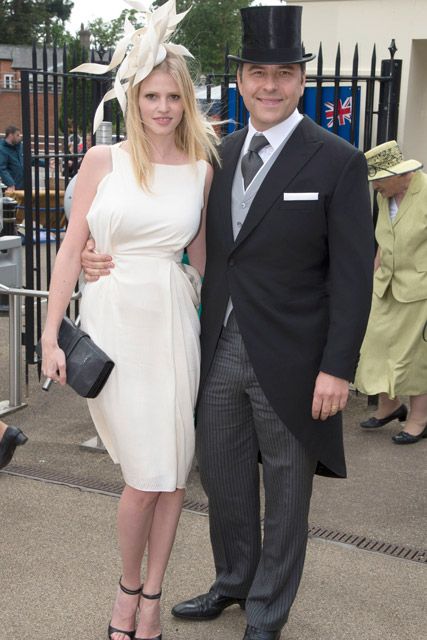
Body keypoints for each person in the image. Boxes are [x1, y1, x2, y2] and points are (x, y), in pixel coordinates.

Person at [82, 5, 374, 639]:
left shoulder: (337, 161)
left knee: (288, 492)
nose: (269, 85)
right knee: (225, 478)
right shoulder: (216, 154)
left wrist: (337, 368)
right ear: (241, 79)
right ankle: (232, 580)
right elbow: (168, 232)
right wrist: (92, 252)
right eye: (257, 73)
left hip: (296, 361)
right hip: (211, 348)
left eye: (284, 73)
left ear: (301, 81)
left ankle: (268, 609)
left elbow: (353, 277)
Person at [40, 3, 217, 639]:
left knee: (172, 476)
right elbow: (69, 249)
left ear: (185, 101)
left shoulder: (200, 170)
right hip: (115, 325)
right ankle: (126, 589)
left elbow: (203, 261)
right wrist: (50, 332)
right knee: (145, 477)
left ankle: (152, 597)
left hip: (173, 326)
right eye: (151, 96)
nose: (163, 108)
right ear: (133, 100)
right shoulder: (102, 161)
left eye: (173, 96)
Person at [355, 140, 427, 445]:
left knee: (414, 355)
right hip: (385, 285)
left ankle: (419, 419)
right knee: (375, 345)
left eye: (378, 181)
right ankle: (390, 404)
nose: (375, 189)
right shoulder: (388, 197)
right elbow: (384, 244)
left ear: (398, 174)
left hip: (419, 289)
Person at [0, 125, 24, 193]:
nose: (20, 137)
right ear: (10, 135)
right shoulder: (2, 149)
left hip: (24, 185)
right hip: (11, 187)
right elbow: (2, 168)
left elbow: (30, 159)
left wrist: (46, 163)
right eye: (17, 135)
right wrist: (10, 183)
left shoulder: (19, 146)